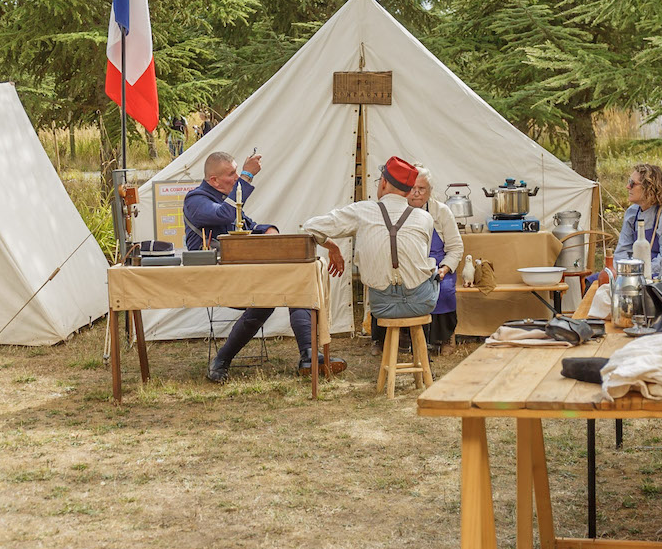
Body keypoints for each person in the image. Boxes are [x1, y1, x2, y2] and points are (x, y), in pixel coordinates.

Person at [184, 151, 346, 381]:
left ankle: (308, 355)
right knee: (272, 297)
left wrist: (269, 231)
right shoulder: (196, 200)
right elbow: (225, 214)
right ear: (214, 181)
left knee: (292, 286)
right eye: (232, 174)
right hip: (213, 278)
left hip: (240, 274)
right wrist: (248, 175)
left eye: (238, 172)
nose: (237, 177)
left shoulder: (224, 200)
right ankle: (222, 360)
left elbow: (250, 226)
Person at [304, 156, 439, 332]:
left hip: (382, 306)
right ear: (408, 192)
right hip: (421, 303)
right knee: (431, 271)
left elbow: (310, 227)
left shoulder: (361, 211)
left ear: (383, 182)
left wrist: (333, 247)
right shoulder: (425, 218)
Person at [369, 165, 463, 356]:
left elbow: (455, 247)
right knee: (384, 287)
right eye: (413, 188)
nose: (417, 193)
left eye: (423, 189)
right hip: (402, 266)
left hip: (435, 266)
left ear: (430, 192)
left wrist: (444, 268)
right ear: (405, 189)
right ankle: (385, 338)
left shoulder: (441, 211)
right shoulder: (394, 210)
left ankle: (444, 336)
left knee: (443, 290)